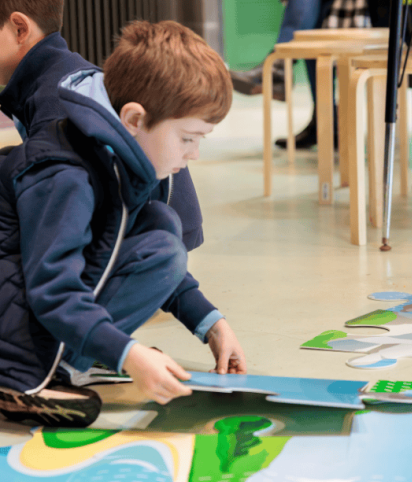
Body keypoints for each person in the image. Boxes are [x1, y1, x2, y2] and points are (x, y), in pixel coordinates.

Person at [0, 18, 247, 428]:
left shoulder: (116, 154)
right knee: (160, 236)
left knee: (160, 227)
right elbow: (53, 289)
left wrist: (211, 324)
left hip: (23, 294)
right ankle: (18, 377)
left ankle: (75, 355)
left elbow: (131, 240)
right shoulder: (65, 175)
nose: (194, 155)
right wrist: (127, 354)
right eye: (187, 138)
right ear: (134, 119)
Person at [0, 0, 206, 250]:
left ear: (20, 29)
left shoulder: (54, 104)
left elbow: (63, 221)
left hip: (145, 240)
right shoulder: (61, 73)